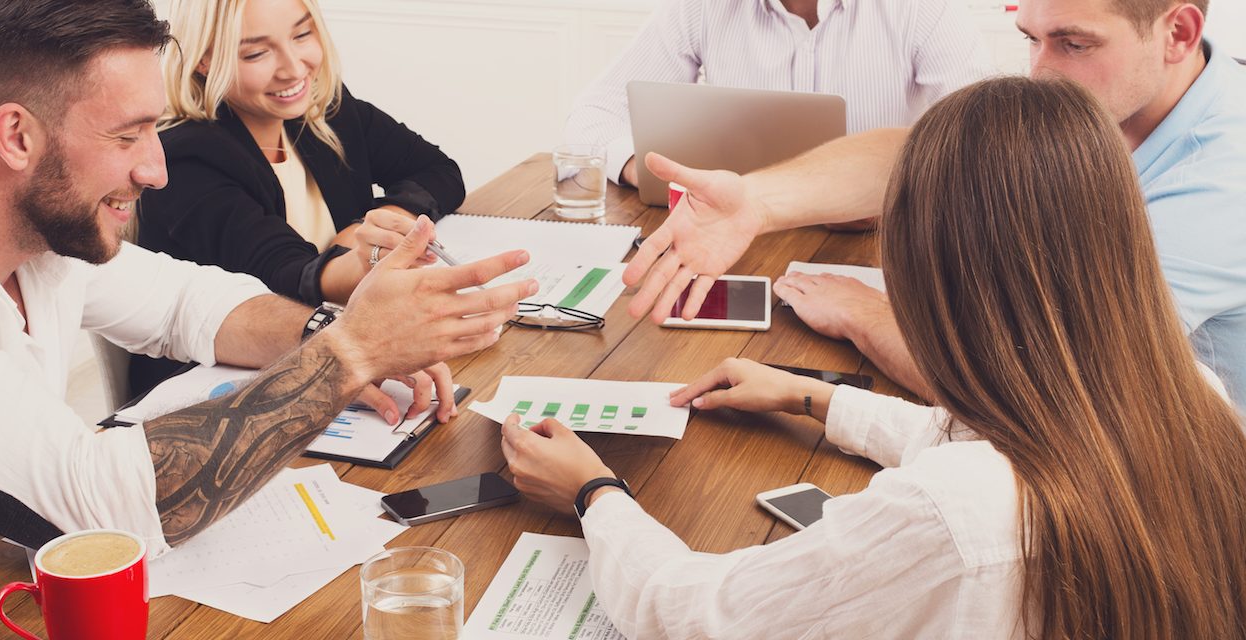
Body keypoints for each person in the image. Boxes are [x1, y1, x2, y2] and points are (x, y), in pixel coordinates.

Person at [503, 77, 1246, 639]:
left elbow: (696, 614)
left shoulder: (951, 512)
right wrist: (815, 399)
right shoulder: (1198, 398)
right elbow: (1012, 449)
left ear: (936, 275)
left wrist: (594, 493)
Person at [0, 0, 534, 555]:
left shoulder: (48, 248)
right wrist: (352, 351)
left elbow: (188, 303)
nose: (155, 171)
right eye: (126, 135)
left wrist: (324, 332)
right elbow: (110, 510)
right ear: (16, 136)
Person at [623, 0, 1246, 406]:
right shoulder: (1112, 105)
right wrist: (755, 202)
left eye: (1073, 45)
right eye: (1031, 39)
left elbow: (1049, 392)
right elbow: (932, 155)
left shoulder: (1224, 178)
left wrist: (867, 316)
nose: (1040, 73)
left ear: (1178, 32)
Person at [131, 0, 465, 395]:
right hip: (217, 386)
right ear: (204, 61)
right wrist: (364, 257)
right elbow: (283, 274)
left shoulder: (324, 110)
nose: (294, 68)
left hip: (330, 343)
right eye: (256, 52)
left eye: (302, 34)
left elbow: (439, 171)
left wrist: (373, 227)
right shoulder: (185, 158)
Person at [562, 0, 992, 189]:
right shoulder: (700, 6)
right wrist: (656, 174)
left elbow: (982, 147)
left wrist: (887, 193)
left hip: (876, 248)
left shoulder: (926, 7)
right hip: (733, 233)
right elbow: (592, 118)